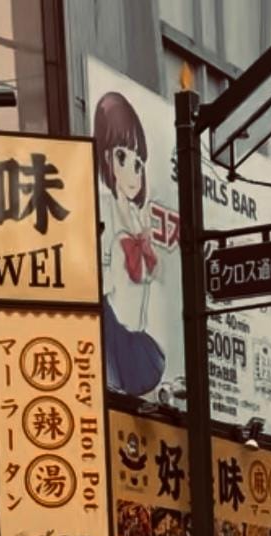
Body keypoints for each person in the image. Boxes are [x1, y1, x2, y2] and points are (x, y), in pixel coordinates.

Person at [93, 90, 168, 399]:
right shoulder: (102, 207)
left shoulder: (141, 218)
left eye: (138, 163)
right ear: (106, 157)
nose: (132, 173)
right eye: (122, 157)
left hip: (137, 333)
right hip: (110, 328)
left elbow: (155, 277)